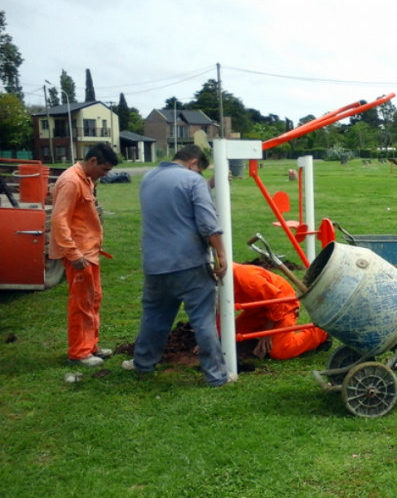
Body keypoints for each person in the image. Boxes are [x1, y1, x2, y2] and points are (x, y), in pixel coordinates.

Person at [122, 145, 234, 386]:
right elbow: (208, 223)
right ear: (193, 163)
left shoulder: (149, 177)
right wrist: (222, 254)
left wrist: (211, 183)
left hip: (155, 264)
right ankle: (216, 377)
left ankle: (143, 364)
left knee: (154, 317)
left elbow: (176, 199)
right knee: (203, 320)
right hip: (189, 263)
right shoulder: (193, 181)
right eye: (200, 171)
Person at [49, 142, 119, 367]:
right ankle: (79, 352)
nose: (105, 175)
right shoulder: (71, 181)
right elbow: (59, 220)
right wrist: (72, 253)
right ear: (92, 161)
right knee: (81, 303)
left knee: (93, 299)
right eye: (104, 169)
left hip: (90, 252)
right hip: (79, 254)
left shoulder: (86, 179)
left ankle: (91, 346)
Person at [231, 262, 329, 360]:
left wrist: (267, 333)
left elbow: (277, 304)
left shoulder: (247, 278)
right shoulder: (218, 280)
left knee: (279, 351)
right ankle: (261, 337)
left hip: (284, 305)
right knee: (229, 336)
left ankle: (321, 333)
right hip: (258, 309)